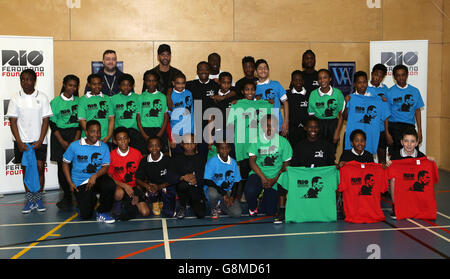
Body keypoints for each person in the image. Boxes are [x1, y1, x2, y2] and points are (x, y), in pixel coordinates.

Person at [6, 69, 53, 213]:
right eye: (23, 79)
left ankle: (38, 199)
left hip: (39, 142)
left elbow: (46, 120)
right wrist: (19, 142)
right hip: (22, 142)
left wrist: (40, 140)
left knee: (39, 169)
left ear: (34, 80)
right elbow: (13, 121)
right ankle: (29, 200)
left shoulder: (43, 97)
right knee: (26, 170)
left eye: (29, 79)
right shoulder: (15, 98)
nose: (26, 82)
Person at [226, 79, 273, 199]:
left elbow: (273, 106)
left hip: (257, 143)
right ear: (242, 91)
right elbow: (230, 125)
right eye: (247, 89)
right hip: (242, 143)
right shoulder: (237, 104)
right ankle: (241, 194)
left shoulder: (261, 104)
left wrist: (270, 102)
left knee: (258, 169)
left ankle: (257, 194)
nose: (250, 92)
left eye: (252, 89)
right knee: (244, 170)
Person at [62, 120, 116, 223]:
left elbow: (105, 167)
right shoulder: (74, 145)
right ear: (86, 132)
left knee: (110, 185)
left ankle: (102, 212)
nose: (96, 134)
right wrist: (70, 183)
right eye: (93, 131)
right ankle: (91, 200)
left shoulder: (104, 147)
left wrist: (95, 176)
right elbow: (65, 163)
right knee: (86, 215)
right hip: (81, 182)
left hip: (96, 178)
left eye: (98, 132)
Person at [245, 114, 292, 223]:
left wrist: (275, 179)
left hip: (276, 177)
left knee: (270, 211)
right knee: (250, 191)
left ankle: (264, 197)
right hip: (259, 174)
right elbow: (252, 162)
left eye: (273, 126)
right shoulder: (256, 140)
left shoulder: (284, 142)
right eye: (267, 125)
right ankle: (253, 207)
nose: (270, 128)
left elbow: (286, 165)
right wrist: (263, 178)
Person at [49, 74, 82, 211]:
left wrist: (74, 141)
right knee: (62, 168)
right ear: (64, 84)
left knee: (78, 166)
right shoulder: (55, 102)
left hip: (75, 135)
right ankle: (67, 197)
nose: (72, 88)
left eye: (75, 86)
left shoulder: (80, 101)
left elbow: (81, 123)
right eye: (70, 85)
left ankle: (79, 195)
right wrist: (62, 141)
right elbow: (52, 124)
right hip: (59, 137)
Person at [341, 71, 390, 157]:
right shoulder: (350, 98)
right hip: (353, 136)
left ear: (367, 83)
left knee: (367, 163)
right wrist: (346, 104)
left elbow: (385, 116)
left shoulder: (377, 99)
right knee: (350, 161)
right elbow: (344, 117)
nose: (362, 85)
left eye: (364, 82)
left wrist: (383, 102)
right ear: (355, 84)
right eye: (359, 83)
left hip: (369, 137)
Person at [108, 127, 149, 220]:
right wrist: (124, 186)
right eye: (119, 139)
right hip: (120, 186)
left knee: (145, 212)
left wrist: (138, 193)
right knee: (119, 193)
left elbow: (141, 176)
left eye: (125, 138)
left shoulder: (137, 154)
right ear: (115, 141)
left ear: (129, 140)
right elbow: (109, 177)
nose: (123, 141)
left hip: (134, 187)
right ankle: (117, 204)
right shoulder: (111, 156)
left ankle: (126, 202)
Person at [385, 128, 426, 219]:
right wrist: (389, 164)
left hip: (413, 183)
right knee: (393, 179)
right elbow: (388, 171)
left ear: (416, 143)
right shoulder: (396, 156)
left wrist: (430, 160)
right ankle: (396, 206)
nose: (409, 144)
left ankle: (419, 204)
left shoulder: (421, 157)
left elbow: (426, 170)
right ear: (402, 142)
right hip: (401, 184)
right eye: (406, 141)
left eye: (412, 141)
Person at [386, 64, 424, 154]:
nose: (401, 78)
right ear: (394, 77)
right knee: (395, 156)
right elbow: (386, 114)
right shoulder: (389, 92)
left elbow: (417, 111)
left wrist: (419, 131)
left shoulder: (415, 91)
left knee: (412, 155)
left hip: (409, 127)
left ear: (407, 75)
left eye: (403, 75)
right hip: (394, 127)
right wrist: (387, 133)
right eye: (398, 75)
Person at [135, 136, 176, 217]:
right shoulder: (144, 160)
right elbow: (138, 179)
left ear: (161, 146)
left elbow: (173, 179)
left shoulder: (168, 159)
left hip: (165, 186)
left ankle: (165, 201)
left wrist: (159, 186)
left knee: (169, 214)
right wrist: (147, 186)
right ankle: (155, 202)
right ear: (147, 147)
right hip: (152, 187)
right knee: (150, 192)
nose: (154, 148)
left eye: (157, 145)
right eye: (151, 146)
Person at [169, 134, 207, 219]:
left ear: (196, 143)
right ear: (182, 144)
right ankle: (183, 204)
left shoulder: (201, 158)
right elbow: (171, 175)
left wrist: (196, 178)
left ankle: (192, 202)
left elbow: (205, 175)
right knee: (182, 185)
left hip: (196, 189)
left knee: (201, 214)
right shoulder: (176, 159)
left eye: (192, 143)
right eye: (186, 143)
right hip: (183, 189)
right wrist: (183, 177)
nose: (189, 146)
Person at [307, 69, 345, 149]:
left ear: (330, 78)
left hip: (333, 125)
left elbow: (341, 114)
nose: (322, 80)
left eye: (325, 77)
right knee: (318, 151)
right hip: (318, 125)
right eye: (320, 78)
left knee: (331, 151)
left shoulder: (338, 93)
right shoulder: (313, 94)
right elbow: (311, 116)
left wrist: (337, 132)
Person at [109, 73, 146, 154]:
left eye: (129, 85)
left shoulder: (138, 98)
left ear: (133, 86)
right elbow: (111, 119)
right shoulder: (113, 99)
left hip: (135, 133)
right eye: (123, 85)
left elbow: (140, 117)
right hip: (119, 133)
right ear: (119, 86)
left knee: (136, 155)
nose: (126, 87)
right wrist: (112, 136)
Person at [204, 142, 242, 219]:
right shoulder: (212, 161)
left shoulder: (233, 162)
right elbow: (207, 180)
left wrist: (232, 197)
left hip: (228, 191)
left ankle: (221, 205)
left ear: (230, 149)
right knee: (213, 193)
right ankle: (214, 207)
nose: (225, 150)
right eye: (222, 148)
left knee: (237, 213)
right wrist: (224, 194)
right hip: (215, 189)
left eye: (227, 147)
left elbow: (236, 182)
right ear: (218, 149)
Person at [254, 59, 289, 136]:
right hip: (261, 128)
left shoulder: (276, 84)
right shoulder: (253, 88)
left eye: (265, 68)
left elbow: (285, 103)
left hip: (277, 125)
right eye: (260, 68)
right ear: (256, 72)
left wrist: (286, 122)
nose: (263, 70)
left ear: (268, 70)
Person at [137, 71, 169, 154]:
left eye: (154, 80)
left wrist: (160, 133)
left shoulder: (162, 96)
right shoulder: (141, 97)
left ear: (157, 82)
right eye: (148, 80)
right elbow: (138, 117)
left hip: (159, 130)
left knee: (162, 154)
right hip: (145, 130)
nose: (151, 83)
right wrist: (143, 134)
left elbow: (166, 117)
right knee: (145, 155)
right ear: (145, 82)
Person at [78, 73, 114, 146]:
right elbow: (82, 120)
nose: (97, 86)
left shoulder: (107, 98)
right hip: (89, 139)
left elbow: (111, 118)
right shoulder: (83, 100)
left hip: (106, 139)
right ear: (89, 84)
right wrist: (92, 137)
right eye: (94, 84)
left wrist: (108, 136)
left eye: (99, 84)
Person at [169, 72, 194, 152]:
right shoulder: (170, 96)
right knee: (178, 158)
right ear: (173, 83)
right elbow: (168, 119)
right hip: (177, 133)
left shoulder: (189, 93)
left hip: (190, 131)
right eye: (178, 83)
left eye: (183, 83)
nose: (181, 85)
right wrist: (171, 138)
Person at [286, 70, 310, 147]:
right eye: (295, 80)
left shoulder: (309, 94)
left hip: (306, 129)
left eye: (300, 80)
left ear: (303, 81)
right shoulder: (287, 94)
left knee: (305, 149)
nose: (298, 82)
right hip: (292, 129)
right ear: (292, 82)